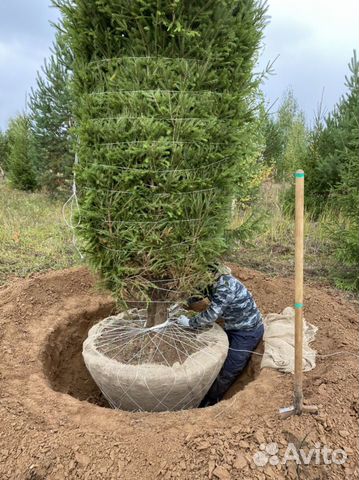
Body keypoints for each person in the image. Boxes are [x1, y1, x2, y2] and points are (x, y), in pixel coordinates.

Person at [176, 265, 264, 407]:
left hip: (247, 331)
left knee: (229, 370)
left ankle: (210, 402)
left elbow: (212, 314)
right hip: (232, 325)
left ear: (212, 275)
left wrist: (190, 322)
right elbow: (196, 295)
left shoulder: (225, 286)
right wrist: (180, 304)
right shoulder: (210, 282)